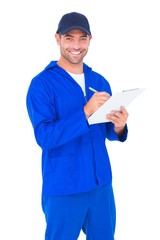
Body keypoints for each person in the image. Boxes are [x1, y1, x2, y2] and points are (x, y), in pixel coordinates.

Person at [26, 12, 129, 240]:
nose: (76, 45)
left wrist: (119, 127)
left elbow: (107, 130)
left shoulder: (99, 81)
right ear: (58, 39)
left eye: (82, 38)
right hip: (64, 186)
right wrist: (85, 111)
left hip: (100, 185)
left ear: (90, 40)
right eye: (69, 37)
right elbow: (45, 136)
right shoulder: (42, 84)